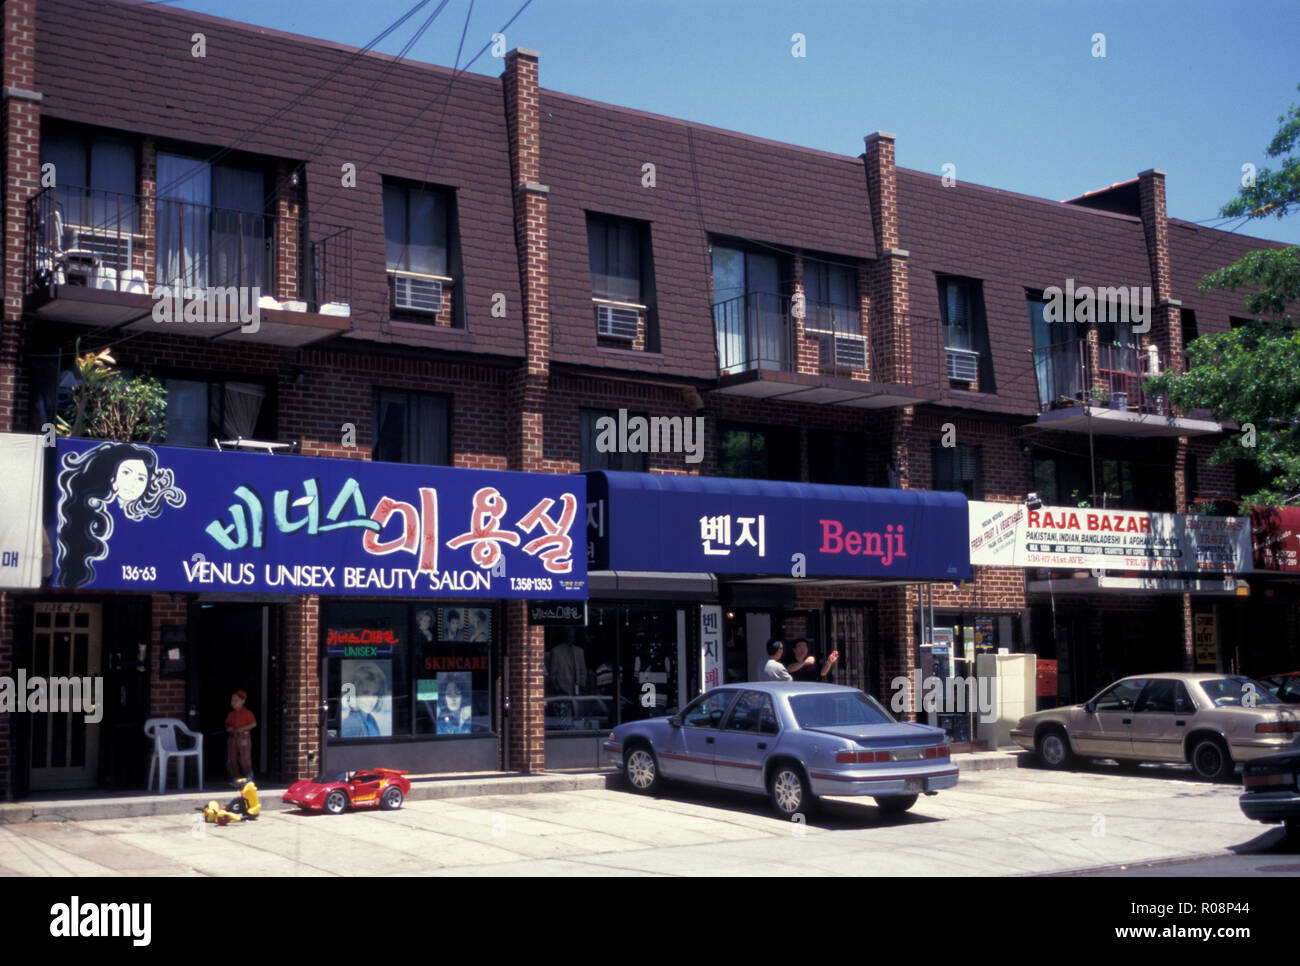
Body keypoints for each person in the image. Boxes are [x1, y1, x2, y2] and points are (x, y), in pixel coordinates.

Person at [55, 441, 186, 588]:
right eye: (126, 472)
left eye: (141, 478)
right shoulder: (89, 510)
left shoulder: (141, 520)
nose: (133, 483)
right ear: (111, 474)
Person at [224, 689, 256, 783]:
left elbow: (253, 724)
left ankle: (249, 776)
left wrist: (242, 728)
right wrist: (228, 728)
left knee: (244, 758)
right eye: (232, 700)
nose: (233, 703)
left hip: (244, 737)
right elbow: (227, 725)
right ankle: (236, 777)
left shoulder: (247, 713)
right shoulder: (231, 714)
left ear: (243, 701)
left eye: (236, 700)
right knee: (231, 758)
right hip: (233, 737)